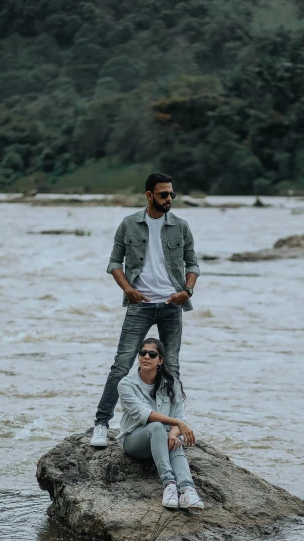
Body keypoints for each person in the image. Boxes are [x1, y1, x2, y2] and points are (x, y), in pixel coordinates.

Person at [90, 172, 200, 447]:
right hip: (140, 305)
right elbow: (114, 263)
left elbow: (193, 265)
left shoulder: (181, 226)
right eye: (164, 194)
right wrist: (127, 289)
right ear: (149, 195)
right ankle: (102, 424)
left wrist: (186, 292)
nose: (169, 199)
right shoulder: (129, 225)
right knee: (122, 364)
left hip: (171, 305)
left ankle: (175, 424)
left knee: (171, 366)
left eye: (172, 194)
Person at [116, 337, 204, 510]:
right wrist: (177, 423)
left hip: (161, 440)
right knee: (156, 426)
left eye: (152, 354)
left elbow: (180, 416)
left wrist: (173, 433)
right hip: (134, 442)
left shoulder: (172, 385)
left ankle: (187, 490)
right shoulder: (126, 384)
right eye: (142, 353)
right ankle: (169, 485)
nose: (146, 357)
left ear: (160, 360)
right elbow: (145, 415)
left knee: (174, 441)